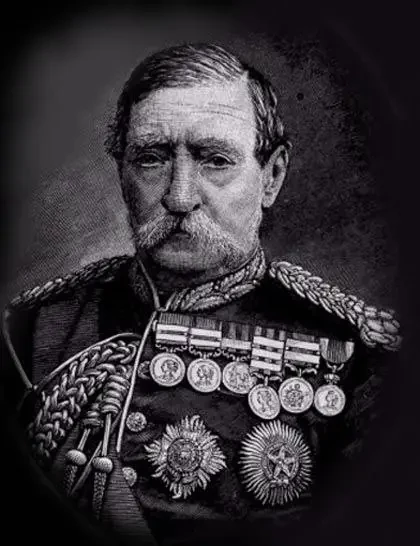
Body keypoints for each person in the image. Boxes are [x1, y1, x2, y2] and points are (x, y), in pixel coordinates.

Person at [1, 43, 401, 546]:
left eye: (215, 160)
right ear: (122, 173)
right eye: (151, 159)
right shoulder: (32, 331)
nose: (179, 196)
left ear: (272, 176)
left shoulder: (358, 360)